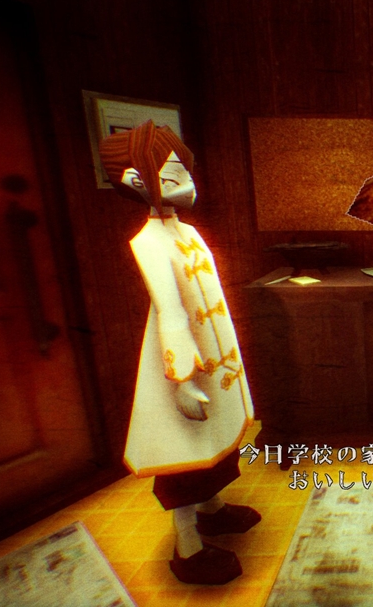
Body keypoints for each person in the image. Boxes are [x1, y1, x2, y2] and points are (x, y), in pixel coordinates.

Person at [100, 121, 259, 584]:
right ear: (136, 180)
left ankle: (213, 508)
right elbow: (170, 312)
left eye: (186, 174)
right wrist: (181, 379)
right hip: (182, 361)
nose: (188, 186)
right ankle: (187, 547)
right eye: (173, 177)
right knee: (184, 451)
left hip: (214, 355)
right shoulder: (148, 243)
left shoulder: (186, 231)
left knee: (215, 439)